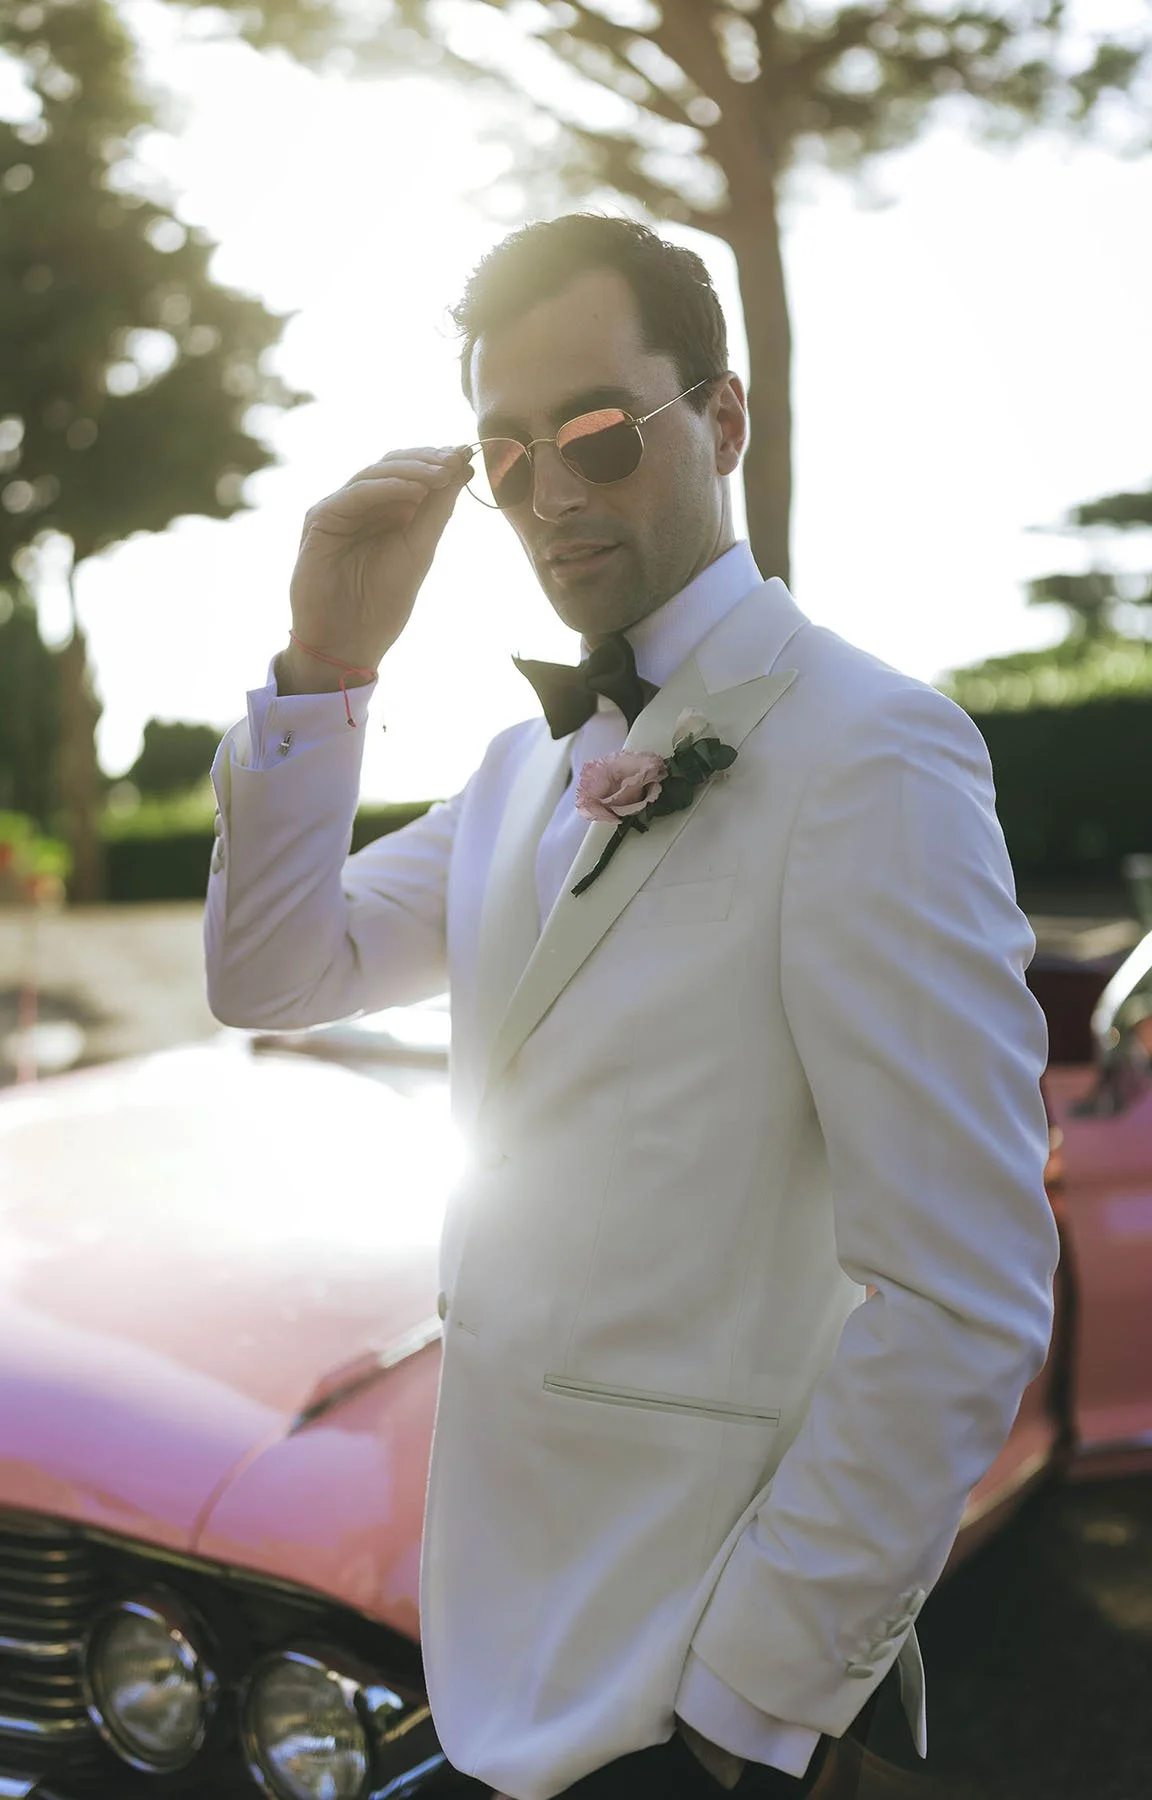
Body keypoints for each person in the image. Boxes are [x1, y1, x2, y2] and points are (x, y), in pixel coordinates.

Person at [204, 214, 1059, 1800]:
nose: (554, 490)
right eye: (508, 454)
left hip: (702, 1691)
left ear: (724, 419)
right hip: (504, 1655)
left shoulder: (877, 749)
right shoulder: (522, 765)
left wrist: (743, 1716)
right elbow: (273, 971)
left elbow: (969, 1290)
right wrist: (325, 664)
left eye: (598, 429)